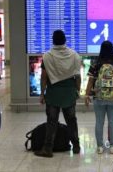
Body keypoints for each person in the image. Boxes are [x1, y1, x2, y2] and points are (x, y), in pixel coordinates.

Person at [35, 30, 81, 158]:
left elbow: (44, 77)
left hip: (53, 92)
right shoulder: (74, 55)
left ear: (53, 40)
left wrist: (42, 94)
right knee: (71, 121)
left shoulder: (47, 56)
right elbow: (77, 76)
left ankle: (48, 148)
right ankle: (76, 146)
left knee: (51, 122)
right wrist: (77, 90)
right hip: (69, 91)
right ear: (65, 40)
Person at [84, 41, 113, 154]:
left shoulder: (96, 65)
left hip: (99, 98)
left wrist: (87, 95)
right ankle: (112, 146)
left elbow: (90, 81)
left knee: (99, 122)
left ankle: (100, 147)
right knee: (112, 122)